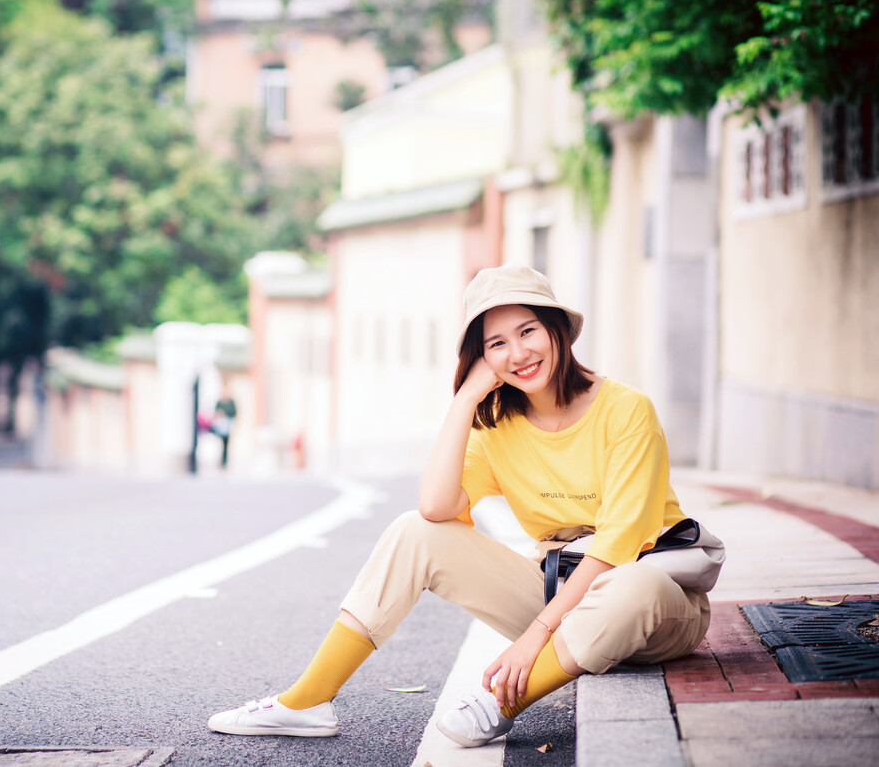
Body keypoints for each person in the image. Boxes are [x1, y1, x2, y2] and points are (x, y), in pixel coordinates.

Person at [207, 264, 713, 746]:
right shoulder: (497, 427)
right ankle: (307, 702)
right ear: (481, 358)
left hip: (657, 613)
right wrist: (464, 402)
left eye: (528, 331)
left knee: (630, 583)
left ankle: (504, 699)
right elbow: (434, 507)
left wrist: (533, 636)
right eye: (497, 344)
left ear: (558, 330)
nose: (518, 353)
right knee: (414, 531)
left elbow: (618, 547)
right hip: (563, 604)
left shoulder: (626, 411)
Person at [211, 391, 237, 469]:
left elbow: (234, 412)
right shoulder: (219, 402)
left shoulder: (231, 402)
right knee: (220, 442)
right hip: (220, 425)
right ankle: (220, 460)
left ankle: (224, 461)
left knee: (226, 443)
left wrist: (225, 413)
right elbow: (215, 411)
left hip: (227, 425)